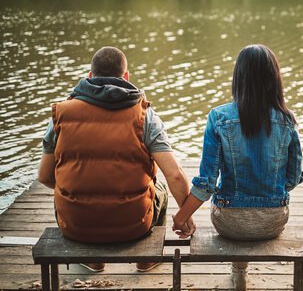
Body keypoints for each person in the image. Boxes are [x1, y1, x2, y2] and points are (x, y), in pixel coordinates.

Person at [38, 46, 195, 273]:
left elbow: (44, 176)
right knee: (158, 186)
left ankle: (93, 261)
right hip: (133, 226)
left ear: (90, 76)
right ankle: (146, 259)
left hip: (74, 225)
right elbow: (175, 175)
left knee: (63, 191)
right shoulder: (145, 115)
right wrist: (185, 214)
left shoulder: (60, 114)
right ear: (126, 77)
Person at [171, 44, 303, 290]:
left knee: (230, 201)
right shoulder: (287, 120)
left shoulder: (219, 117)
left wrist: (182, 217)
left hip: (229, 222)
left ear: (238, 77)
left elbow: (207, 183)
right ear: (274, 79)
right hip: (273, 220)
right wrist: (270, 188)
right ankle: (240, 272)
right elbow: (293, 178)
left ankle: (238, 271)